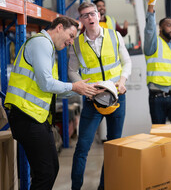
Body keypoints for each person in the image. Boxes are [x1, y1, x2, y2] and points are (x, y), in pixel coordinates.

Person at [4, 16, 101, 190]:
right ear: (59, 27)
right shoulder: (41, 43)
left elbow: (50, 89)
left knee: (50, 169)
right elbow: (46, 83)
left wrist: (85, 90)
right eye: (71, 36)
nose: (71, 42)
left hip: (36, 117)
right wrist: (75, 87)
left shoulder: (47, 48)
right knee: (45, 173)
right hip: (27, 117)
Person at [68, 2, 132, 190]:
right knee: (82, 148)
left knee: (113, 148)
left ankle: (104, 187)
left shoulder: (114, 36)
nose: (90, 18)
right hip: (92, 101)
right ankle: (75, 188)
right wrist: (84, 87)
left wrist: (122, 81)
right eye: (85, 15)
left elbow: (126, 62)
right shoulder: (77, 44)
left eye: (92, 13)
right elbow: (72, 71)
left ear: (98, 15)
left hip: (116, 98)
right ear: (81, 20)